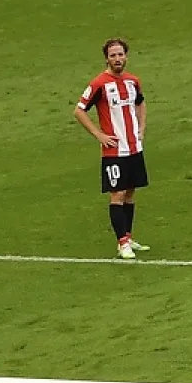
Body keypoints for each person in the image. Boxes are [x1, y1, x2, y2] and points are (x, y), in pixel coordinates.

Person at [74, 37, 149, 260]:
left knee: (131, 192)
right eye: (113, 55)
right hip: (114, 151)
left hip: (134, 148)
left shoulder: (133, 81)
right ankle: (122, 242)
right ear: (107, 58)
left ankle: (127, 236)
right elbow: (79, 110)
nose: (117, 59)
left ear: (126, 56)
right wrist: (98, 134)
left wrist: (141, 128)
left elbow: (141, 102)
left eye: (120, 54)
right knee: (117, 194)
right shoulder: (99, 84)